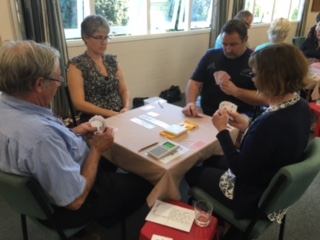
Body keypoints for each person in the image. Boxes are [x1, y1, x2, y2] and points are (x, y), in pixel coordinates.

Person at [0, 40, 152, 239]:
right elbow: (76, 201)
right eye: (57, 80)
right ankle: (108, 219)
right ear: (38, 84)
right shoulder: (42, 137)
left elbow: (41, 144)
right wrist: (96, 150)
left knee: (111, 159)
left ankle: (108, 210)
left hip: (37, 195)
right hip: (71, 207)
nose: (58, 85)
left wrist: (72, 132)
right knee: (146, 179)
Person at [185, 43, 311, 238]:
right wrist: (248, 125)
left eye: (256, 74)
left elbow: (239, 168)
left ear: (271, 77)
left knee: (192, 171)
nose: (254, 79)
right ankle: (224, 224)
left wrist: (222, 131)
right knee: (210, 158)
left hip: (254, 197)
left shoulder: (271, 123)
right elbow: (272, 143)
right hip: (271, 180)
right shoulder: (301, 106)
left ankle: (222, 227)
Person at [182, 19, 267, 118]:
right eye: (224, 44)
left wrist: (236, 91)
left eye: (233, 44)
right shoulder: (211, 55)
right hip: (204, 110)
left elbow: (266, 98)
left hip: (238, 115)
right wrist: (190, 103)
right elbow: (195, 82)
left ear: (245, 40)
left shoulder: (256, 62)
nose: (228, 49)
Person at [68, 14, 130, 123]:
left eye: (106, 37)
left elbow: (124, 90)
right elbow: (79, 103)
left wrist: (126, 107)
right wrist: (111, 114)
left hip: (119, 114)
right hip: (93, 119)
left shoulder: (112, 61)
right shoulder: (77, 65)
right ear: (86, 37)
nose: (104, 42)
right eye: (99, 37)